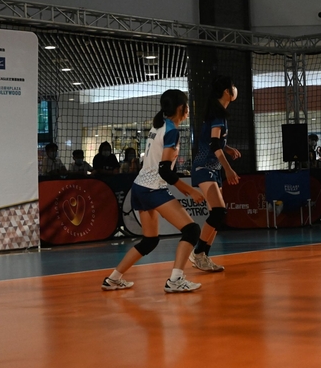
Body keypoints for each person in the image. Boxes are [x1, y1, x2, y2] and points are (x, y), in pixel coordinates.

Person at [102, 89, 205, 293]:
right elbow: (164, 170)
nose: (188, 110)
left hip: (139, 187)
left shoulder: (158, 126)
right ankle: (175, 280)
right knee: (192, 230)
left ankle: (113, 279)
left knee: (150, 240)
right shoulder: (171, 131)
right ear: (181, 108)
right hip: (153, 188)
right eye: (186, 106)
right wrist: (189, 190)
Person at [190, 76, 241, 271]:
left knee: (217, 215)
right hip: (205, 167)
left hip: (213, 168)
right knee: (219, 212)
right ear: (227, 92)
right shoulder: (218, 115)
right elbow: (213, 144)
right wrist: (228, 168)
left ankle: (203, 256)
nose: (235, 89)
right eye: (233, 86)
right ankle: (197, 253)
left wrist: (228, 148)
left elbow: (215, 141)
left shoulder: (218, 113)